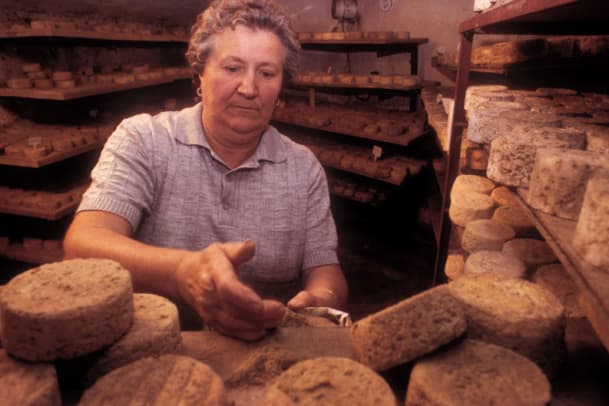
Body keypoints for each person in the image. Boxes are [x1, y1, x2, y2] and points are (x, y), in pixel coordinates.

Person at [63, 0, 348, 340]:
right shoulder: (145, 141)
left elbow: (324, 269)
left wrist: (317, 301)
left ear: (280, 89)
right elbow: (82, 244)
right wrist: (182, 272)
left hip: (264, 348)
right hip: (153, 349)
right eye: (232, 68)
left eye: (267, 73)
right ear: (200, 74)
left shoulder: (302, 168)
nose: (248, 88)